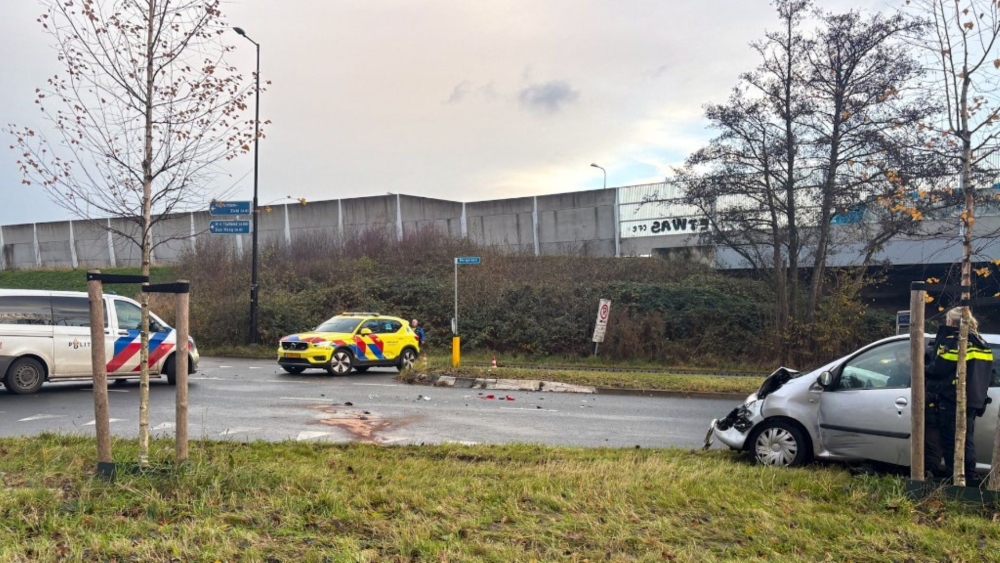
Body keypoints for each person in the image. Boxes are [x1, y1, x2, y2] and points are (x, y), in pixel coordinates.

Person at [924, 307, 994, 484]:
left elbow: (937, 368)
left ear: (951, 322)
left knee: (951, 443)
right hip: (973, 400)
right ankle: (970, 478)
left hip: (951, 398)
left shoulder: (955, 341)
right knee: (966, 441)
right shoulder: (981, 342)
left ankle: (955, 480)